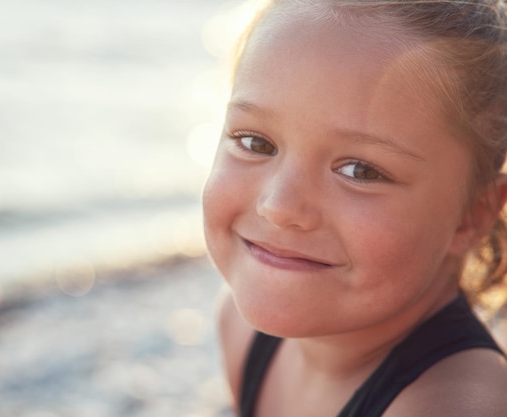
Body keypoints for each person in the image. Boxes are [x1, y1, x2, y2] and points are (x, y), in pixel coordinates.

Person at [202, 0, 507, 416]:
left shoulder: (453, 406)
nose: (278, 206)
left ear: (473, 212)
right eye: (256, 143)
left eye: (359, 170)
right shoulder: (240, 329)